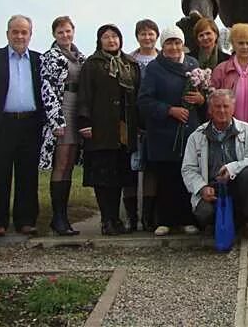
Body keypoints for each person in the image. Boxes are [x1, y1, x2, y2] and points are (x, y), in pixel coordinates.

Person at [0, 15, 45, 237]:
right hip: (2, 125)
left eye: (24, 32)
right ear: (7, 33)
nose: (19, 36)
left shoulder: (39, 60)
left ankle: (26, 220)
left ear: (30, 34)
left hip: (30, 124)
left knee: (28, 175)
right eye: (15, 32)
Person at [138, 25, 205, 236]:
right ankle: (165, 220)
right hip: (165, 131)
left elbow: (204, 94)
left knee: (188, 175)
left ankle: (186, 219)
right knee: (167, 177)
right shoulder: (155, 69)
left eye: (177, 42)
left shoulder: (193, 64)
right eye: (169, 43)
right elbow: (145, 100)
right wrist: (169, 110)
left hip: (189, 130)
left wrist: (201, 99)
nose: (174, 47)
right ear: (163, 45)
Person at [77, 24, 141, 236]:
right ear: (100, 41)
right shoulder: (92, 64)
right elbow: (84, 94)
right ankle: (107, 219)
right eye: (106, 37)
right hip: (101, 127)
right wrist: (84, 122)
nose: (111, 40)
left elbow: (138, 94)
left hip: (125, 127)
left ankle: (121, 219)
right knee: (104, 177)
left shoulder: (131, 64)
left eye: (115, 37)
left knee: (122, 174)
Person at [181, 89, 248, 240]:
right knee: (204, 213)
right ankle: (217, 224)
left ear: (233, 108)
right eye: (217, 107)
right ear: (210, 110)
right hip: (212, 188)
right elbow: (188, 169)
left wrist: (232, 168)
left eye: (226, 106)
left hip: (239, 186)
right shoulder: (196, 136)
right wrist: (201, 188)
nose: (222, 110)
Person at [39, 16, 85, 236]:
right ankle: (58, 217)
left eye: (68, 31)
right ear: (54, 35)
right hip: (62, 108)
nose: (65, 35)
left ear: (73, 31)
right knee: (62, 162)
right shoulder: (50, 57)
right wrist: (56, 119)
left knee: (70, 165)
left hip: (78, 110)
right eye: (60, 33)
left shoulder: (80, 57)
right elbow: (47, 89)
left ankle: (63, 216)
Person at [128, 18, 161, 232]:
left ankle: (149, 217)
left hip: (157, 120)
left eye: (150, 33)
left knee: (152, 169)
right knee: (130, 167)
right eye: (143, 34)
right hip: (133, 118)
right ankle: (132, 217)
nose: (147, 37)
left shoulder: (163, 59)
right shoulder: (128, 60)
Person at [211, 23, 248, 139]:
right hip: (228, 132)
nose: (245, 47)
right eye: (240, 43)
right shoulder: (221, 69)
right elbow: (212, 102)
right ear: (233, 44)